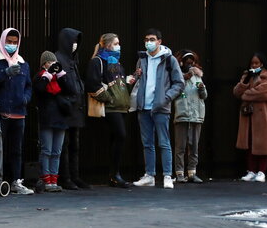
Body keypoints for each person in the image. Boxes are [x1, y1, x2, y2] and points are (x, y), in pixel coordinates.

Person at [132, 29, 184, 189]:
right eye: (147, 39)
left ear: (159, 41)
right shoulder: (142, 59)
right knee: (147, 143)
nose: (149, 42)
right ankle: (150, 175)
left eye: (152, 39)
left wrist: (166, 98)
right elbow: (139, 80)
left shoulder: (170, 60)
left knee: (164, 142)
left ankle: (168, 175)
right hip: (144, 106)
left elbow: (179, 83)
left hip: (160, 107)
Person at [86, 33, 134, 188]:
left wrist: (129, 81)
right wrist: (109, 98)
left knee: (117, 138)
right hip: (111, 108)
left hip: (121, 107)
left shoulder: (115, 63)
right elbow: (92, 84)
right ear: (107, 45)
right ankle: (115, 174)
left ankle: (114, 174)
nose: (119, 46)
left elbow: (117, 83)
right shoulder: (97, 61)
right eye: (116, 43)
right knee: (120, 135)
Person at [0, 28, 34, 195]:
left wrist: (25, 98)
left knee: (17, 149)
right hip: (1, 112)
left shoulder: (23, 63)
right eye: (9, 42)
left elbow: (28, 85)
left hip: (19, 112)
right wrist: (5, 73)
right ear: (2, 41)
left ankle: (16, 180)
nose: (12, 45)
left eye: (15, 42)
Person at [55, 28, 91, 190]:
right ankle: (66, 177)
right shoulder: (58, 59)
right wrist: (63, 101)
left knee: (75, 145)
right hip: (65, 108)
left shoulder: (73, 59)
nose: (75, 45)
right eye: (73, 41)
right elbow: (55, 84)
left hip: (76, 108)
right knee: (65, 145)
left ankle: (75, 176)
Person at [233, 53, 267, 183]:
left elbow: (263, 93)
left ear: (262, 63)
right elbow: (236, 92)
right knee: (249, 142)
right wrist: (244, 82)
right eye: (252, 63)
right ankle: (251, 171)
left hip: (263, 115)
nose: (254, 65)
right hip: (249, 114)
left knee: (263, 143)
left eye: (257, 63)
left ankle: (262, 171)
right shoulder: (248, 76)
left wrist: (246, 95)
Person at [34, 51, 72, 192]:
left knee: (57, 151)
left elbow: (70, 89)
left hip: (61, 118)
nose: (53, 66)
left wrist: (61, 73)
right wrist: (48, 75)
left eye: (54, 63)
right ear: (44, 64)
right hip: (47, 118)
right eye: (50, 63)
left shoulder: (60, 78)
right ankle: (46, 179)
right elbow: (39, 89)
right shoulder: (40, 77)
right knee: (47, 150)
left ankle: (54, 180)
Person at [172, 50, 207, 184]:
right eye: (187, 62)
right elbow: (173, 93)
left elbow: (204, 96)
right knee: (180, 146)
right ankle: (179, 173)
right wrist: (183, 79)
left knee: (194, 146)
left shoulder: (198, 77)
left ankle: (192, 172)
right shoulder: (177, 77)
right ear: (181, 63)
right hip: (182, 115)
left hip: (196, 115)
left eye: (192, 63)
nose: (190, 65)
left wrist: (202, 88)